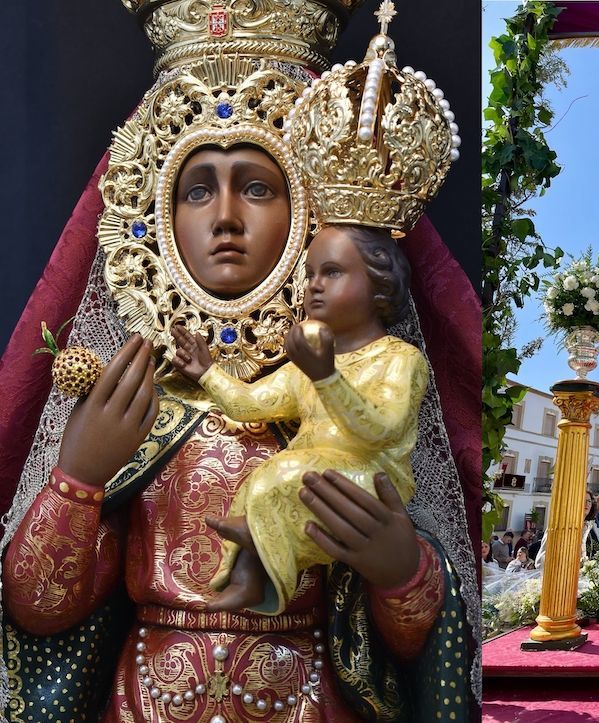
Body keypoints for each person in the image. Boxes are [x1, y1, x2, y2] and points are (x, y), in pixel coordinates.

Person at [0, 9, 478, 720]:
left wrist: (400, 570)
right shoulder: (132, 401)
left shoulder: (355, 380)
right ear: (152, 208)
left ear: (308, 214)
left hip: (308, 698)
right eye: (198, 189)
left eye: (256, 186)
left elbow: (409, 644)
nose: (226, 216)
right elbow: (40, 609)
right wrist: (78, 478)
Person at [170, 221, 427, 615]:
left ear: (379, 286)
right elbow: (249, 403)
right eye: (310, 274)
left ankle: (260, 537)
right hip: (306, 472)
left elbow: (382, 429)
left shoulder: (400, 359)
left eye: (332, 272)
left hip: (371, 478)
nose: (314, 285)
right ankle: (249, 579)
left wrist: (327, 377)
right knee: (258, 482)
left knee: (285, 474)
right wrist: (206, 373)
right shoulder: (307, 362)